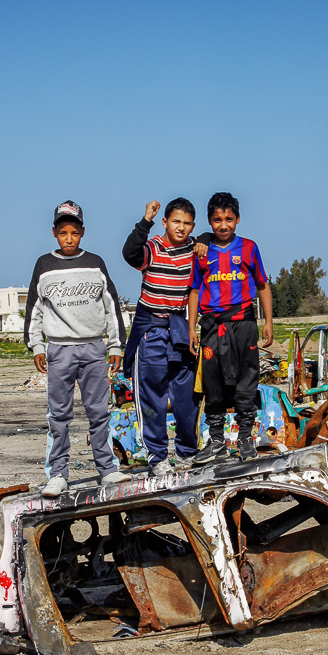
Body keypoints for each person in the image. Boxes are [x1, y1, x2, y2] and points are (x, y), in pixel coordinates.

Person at [24, 200, 132, 497]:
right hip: (59, 350)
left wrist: (115, 345)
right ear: (54, 233)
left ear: (83, 232)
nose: (68, 238)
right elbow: (34, 310)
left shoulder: (95, 263)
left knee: (99, 412)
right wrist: (36, 345)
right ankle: (57, 474)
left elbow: (111, 307)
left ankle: (108, 469)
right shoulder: (44, 266)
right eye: (63, 233)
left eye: (74, 232)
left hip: (94, 349)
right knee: (58, 416)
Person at [122, 198, 206, 476]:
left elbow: (210, 242)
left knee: (187, 396)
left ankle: (186, 453)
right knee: (152, 397)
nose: (181, 227)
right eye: (176, 221)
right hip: (151, 328)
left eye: (187, 223)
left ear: (193, 226)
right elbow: (130, 253)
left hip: (180, 328)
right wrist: (145, 221)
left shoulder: (194, 249)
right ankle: (157, 457)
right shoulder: (153, 248)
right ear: (165, 222)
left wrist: (204, 239)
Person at [188, 192, 273, 463]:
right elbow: (194, 291)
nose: (223, 225)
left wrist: (269, 321)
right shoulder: (201, 251)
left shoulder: (249, 248)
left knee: (246, 379)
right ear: (209, 221)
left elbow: (262, 285)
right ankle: (216, 441)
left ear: (238, 219)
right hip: (212, 327)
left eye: (229, 219)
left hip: (244, 325)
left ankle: (246, 439)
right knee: (212, 383)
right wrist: (192, 329)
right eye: (217, 220)